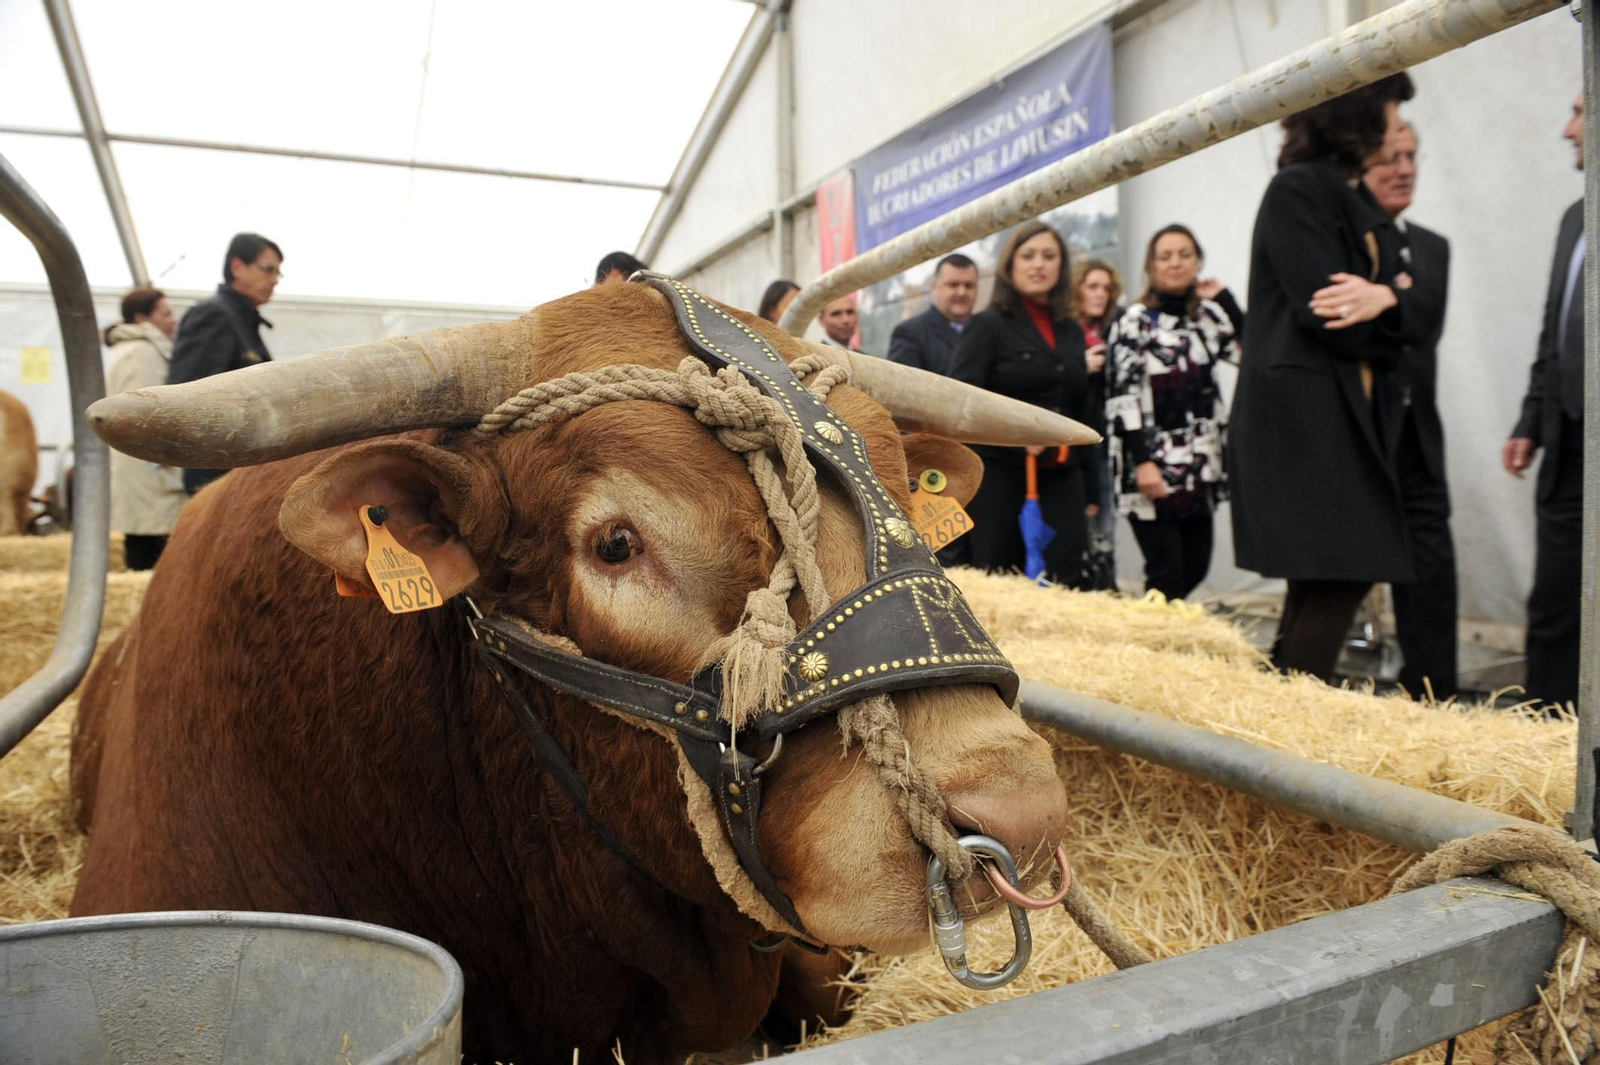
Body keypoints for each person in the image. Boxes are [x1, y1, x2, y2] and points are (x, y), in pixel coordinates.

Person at [1228, 73, 1416, 684]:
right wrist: (1395, 304)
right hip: (1304, 416)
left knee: (1326, 569)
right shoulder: (1301, 187)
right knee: (1346, 560)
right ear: (1360, 119)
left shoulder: (1339, 191)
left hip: (1325, 411)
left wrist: (1388, 298)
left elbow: (1392, 294)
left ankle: (1282, 704)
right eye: (1393, 114)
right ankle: (1293, 705)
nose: (1399, 130)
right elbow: (1331, 310)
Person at [1363, 122, 1458, 699]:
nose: (1405, 168)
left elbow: (1424, 320)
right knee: (1337, 583)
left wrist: (1388, 299)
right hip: (1361, 438)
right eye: (1389, 158)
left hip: (1416, 434)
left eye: (1412, 156)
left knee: (1431, 573)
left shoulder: (1431, 246)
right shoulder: (1344, 242)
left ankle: (1433, 695)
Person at [950, 220, 1099, 585]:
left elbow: (1085, 410)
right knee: (1005, 579)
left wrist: (1093, 488)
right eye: (1028, 255)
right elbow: (958, 408)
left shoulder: (1071, 329)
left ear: (1061, 267)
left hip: (1064, 476)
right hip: (1002, 480)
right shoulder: (986, 326)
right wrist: (1014, 436)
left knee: (1067, 578)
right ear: (1010, 266)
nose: (1039, 264)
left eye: (1049, 256)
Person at [1106, 225, 1240, 601]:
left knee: (1195, 569)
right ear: (1150, 266)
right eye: (1165, 256)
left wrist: (1227, 300)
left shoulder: (1207, 318)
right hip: (1150, 467)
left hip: (1200, 466)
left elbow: (1253, 354)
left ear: (1198, 261)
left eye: (1184, 254)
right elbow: (1123, 397)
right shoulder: (1135, 320)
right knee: (1167, 575)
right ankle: (1154, 653)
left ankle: (1167, 646)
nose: (1175, 263)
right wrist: (1143, 461)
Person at [1506, 92, 1587, 710]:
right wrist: (1531, 418)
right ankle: (1544, 724)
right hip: (1565, 437)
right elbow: (1553, 330)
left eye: (1582, 112)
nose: (1568, 130)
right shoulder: (1573, 219)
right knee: (1556, 593)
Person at [167, 232, 281, 494]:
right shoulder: (214, 315)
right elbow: (191, 395)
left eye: (278, 273)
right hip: (217, 474)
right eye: (268, 269)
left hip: (236, 471)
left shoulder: (244, 320)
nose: (274, 280)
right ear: (237, 267)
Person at [104, 287, 186, 569]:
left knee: (144, 540)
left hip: (142, 471)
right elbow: (146, 412)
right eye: (165, 313)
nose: (173, 320)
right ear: (141, 318)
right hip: (150, 471)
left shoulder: (131, 349)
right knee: (150, 551)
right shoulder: (142, 353)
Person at [1075, 258, 1123, 580]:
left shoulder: (1116, 330)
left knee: (1105, 529)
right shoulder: (1064, 333)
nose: (1100, 295)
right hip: (1074, 445)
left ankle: (1105, 582)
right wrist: (1080, 366)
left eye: (1106, 288)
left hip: (1108, 444)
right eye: (1092, 286)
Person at [887, 253, 979, 376]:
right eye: (953, 285)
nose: (962, 292)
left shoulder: (989, 330)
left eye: (969, 286)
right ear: (934, 288)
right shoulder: (910, 333)